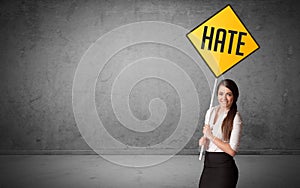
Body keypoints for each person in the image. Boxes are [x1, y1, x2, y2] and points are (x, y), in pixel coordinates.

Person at [198, 79, 242, 188]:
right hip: (208, 166)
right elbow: (207, 140)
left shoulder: (235, 118)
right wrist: (203, 141)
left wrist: (211, 136)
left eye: (228, 94)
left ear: (234, 96)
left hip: (224, 169)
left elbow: (232, 151)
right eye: (221, 94)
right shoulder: (210, 112)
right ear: (217, 94)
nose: (224, 98)